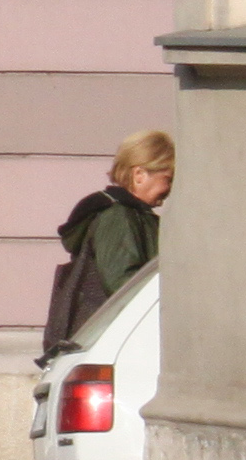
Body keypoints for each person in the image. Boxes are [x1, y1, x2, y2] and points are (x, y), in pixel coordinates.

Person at [42, 129, 167, 362]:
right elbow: (123, 285)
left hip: (110, 340)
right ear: (139, 174)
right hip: (118, 343)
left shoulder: (134, 216)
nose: (169, 190)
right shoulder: (119, 217)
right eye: (167, 178)